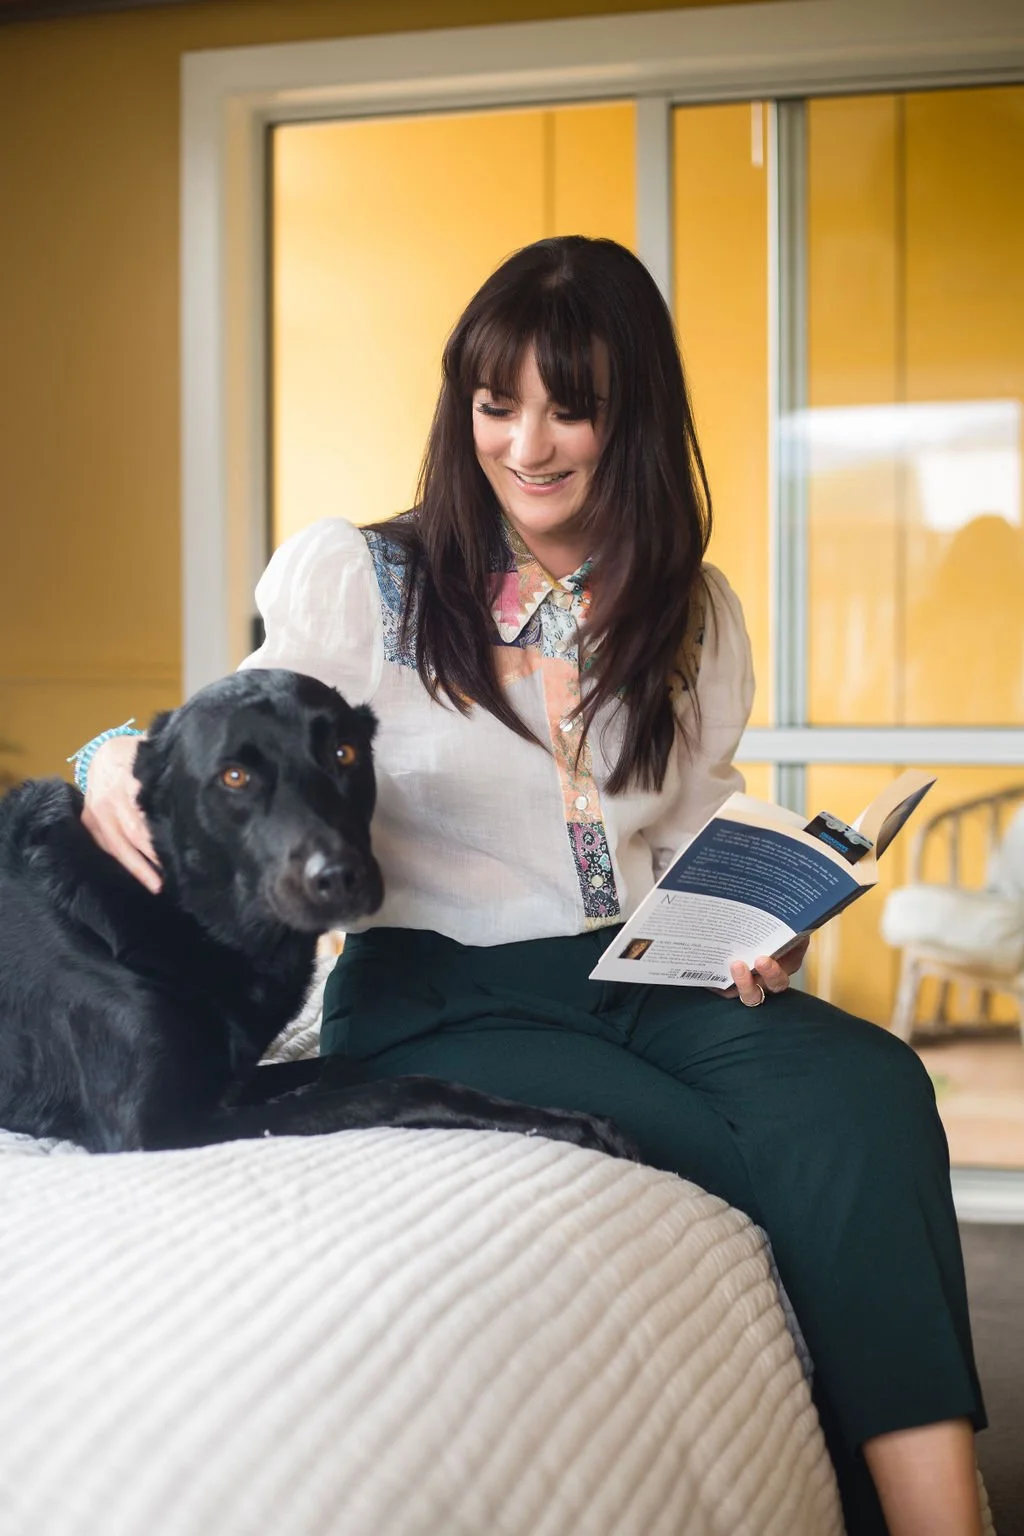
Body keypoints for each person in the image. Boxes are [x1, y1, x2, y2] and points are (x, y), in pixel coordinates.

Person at [79, 236, 985, 1535]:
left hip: (644, 969)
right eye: (496, 404)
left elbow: (689, 818)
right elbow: (246, 719)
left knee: (869, 1086)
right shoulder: (368, 579)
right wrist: (115, 752)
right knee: (748, 1146)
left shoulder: (693, 612)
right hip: (439, 991)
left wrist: (759, 919)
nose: (529, 443)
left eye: (572, 405)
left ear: (636, 417)